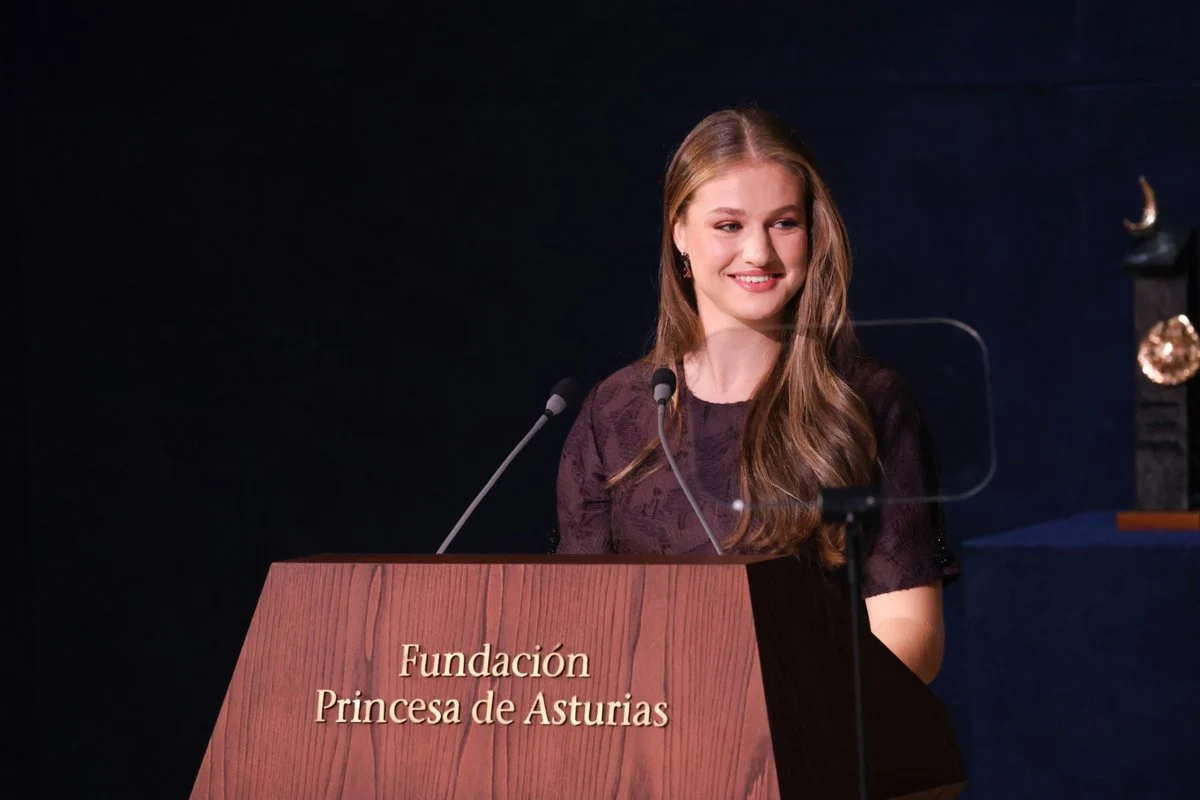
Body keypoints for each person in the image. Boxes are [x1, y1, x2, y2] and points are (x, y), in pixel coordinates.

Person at [553, 107, 961, 685]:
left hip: (820, 730)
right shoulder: (615, 411)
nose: (759, 253)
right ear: (679, 233)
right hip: (651, 732)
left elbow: (909, 627)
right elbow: (579, 624)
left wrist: (802, 713)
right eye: (729, 225)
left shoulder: (867, 401)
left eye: (783, 223)